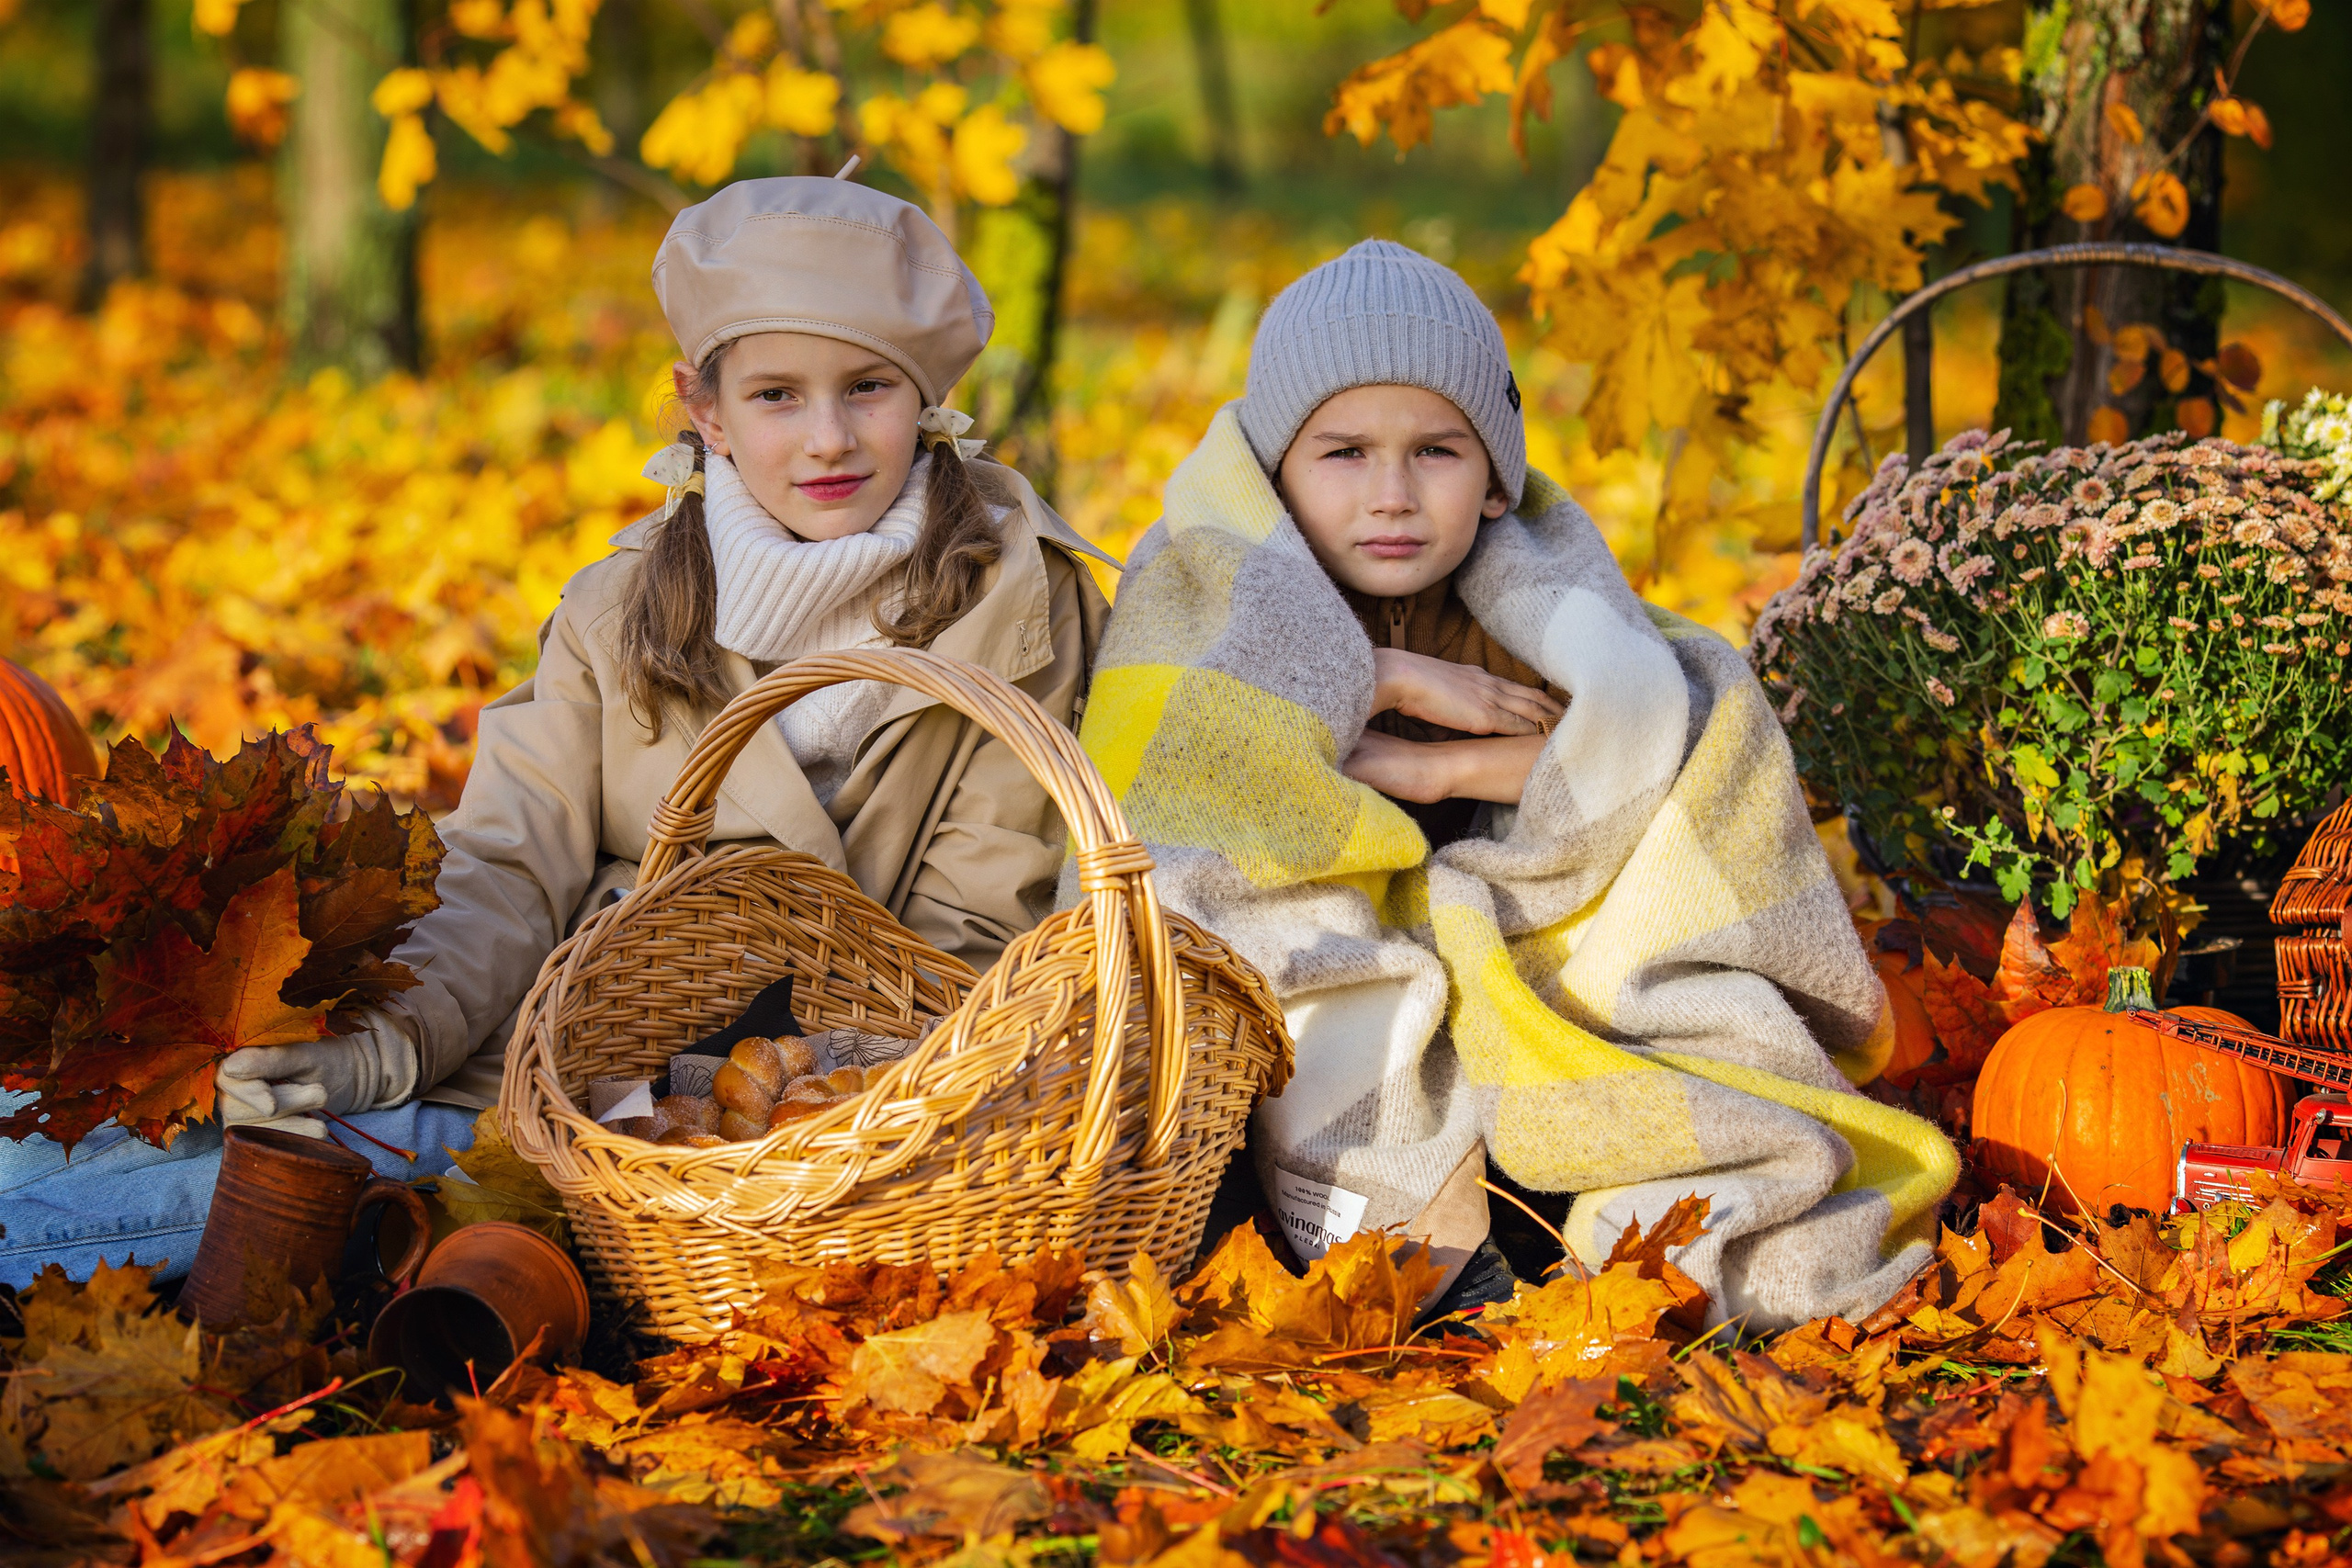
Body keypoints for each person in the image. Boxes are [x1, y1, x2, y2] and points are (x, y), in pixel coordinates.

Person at [0, 175, 1111, 1290]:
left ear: (925, 398)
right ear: (704, 408)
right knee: (60, 1131)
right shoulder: (622, 606)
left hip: (720, 1125)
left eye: (867, 387)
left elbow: (967, 945)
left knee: (170, 1197)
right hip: (519, 1034)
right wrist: (387, 1044)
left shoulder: (1018, 614)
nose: (828, 439)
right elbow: (507, 861)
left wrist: (724, 1124)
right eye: (776, 395)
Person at [1075, 239, 1956, 1330]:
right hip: (1310, 983)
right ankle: (1371, 1217)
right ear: (1274, 474)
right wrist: (1382, 676)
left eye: (1435, 452)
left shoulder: (1535, 592)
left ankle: (1563, 1208)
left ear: (1494, 479)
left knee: (1594, 1042)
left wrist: (1427, 764)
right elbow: (1192, 766)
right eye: (1344, 453)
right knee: (1241, 1000)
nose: (1391, 497)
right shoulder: (1214, 584)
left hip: (1508, 956)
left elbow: (1639, 747)